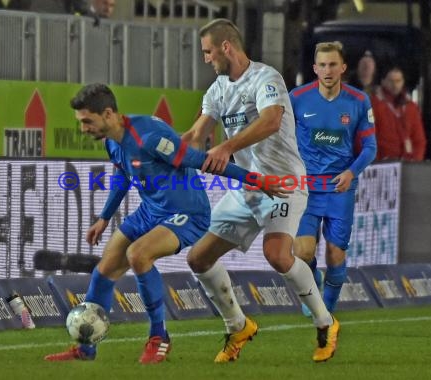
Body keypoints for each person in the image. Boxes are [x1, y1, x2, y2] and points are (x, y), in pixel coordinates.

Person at [44, 83, 287, 364]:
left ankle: (159, 337)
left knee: (138, 254)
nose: (83, 128)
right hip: (151, 210)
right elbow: (123, 175)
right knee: (104, 270)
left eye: (87, 121)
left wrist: (259, 181)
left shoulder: (148, 136)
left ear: (108, 113)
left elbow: (201, 160)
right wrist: (104, 217)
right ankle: (86, 348)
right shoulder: (112, 140)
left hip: (187, 212)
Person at [182, 18, 340, 364]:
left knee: (278, 256)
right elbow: (196, 134)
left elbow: (270, 121)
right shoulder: (217, 90)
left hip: (284, 183)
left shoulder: (266, 78)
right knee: (198, 258)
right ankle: (237, 326)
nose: (206, 59)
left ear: (226, 47)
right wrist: (161, 150)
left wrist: (227, 147)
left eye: (208, 52)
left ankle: (325, 322)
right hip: (249, 187)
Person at [289, 41, 377, 316]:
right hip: (306, 188)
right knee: (302, 252)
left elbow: (371, 148)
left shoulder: (359, 101)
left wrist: (351, 172)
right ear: (315, 69)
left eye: (333, 65)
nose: (328, 70)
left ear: (343, 67)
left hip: (340, 188)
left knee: (336, 254)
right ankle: (313, 286)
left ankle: (327, 308)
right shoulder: (296, 98)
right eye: (323, 65)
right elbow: (281, 139)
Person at [371, 65, 427, 161]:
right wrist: (376, 163)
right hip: (382, 165)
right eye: (391, 81)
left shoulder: (411, 107)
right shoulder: (373, 105)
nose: (395, 85)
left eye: (398, 81)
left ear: (403, 82)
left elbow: (419, 139)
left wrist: (416, 162)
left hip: (408, 164)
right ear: (383, 82)